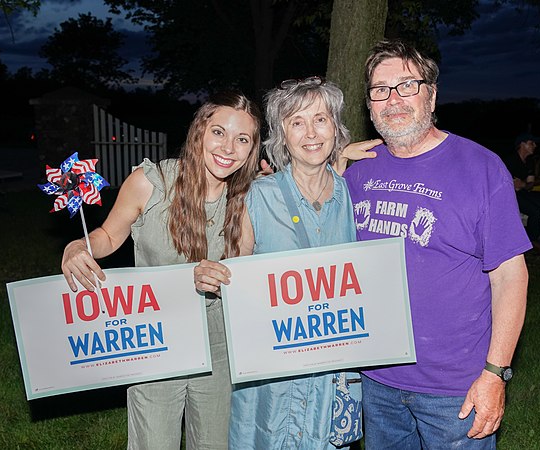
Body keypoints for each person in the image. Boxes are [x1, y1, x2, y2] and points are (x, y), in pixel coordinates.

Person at [341, 39, 530, 449]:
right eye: (380, 89)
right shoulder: (357, 172)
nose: (393, 99)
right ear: (369, 104)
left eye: (407, 85)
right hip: (376, 380)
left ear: (432, 94)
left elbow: (510, 276)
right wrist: (335, 162)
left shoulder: (480, 168)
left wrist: (495, 374)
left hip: (455, 389)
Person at [60, 91, 262, 450]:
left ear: (251, 149)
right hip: (153, 340)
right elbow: (108, 235)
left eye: (242, 139)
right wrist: (79, 246)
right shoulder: (150, 182)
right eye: (219, 132)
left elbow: (247, 274)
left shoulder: (248, 200)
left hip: (218, 344)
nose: (228, 147)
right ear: (199, 131)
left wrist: (221, 279)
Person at [193, 76, 362, 449]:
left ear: (336, 127)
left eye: (321, 119)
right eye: (296, 122)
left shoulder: (357, 196)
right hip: (272, 378)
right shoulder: (255, 197)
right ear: (282, 135)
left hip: (331, 376)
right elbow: (235, 272)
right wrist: (215, 276)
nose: (310, 133)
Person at [503, 133, 540, 252]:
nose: (534, 145)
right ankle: (531, 242)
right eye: (531, 143)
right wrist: (514, 185)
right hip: (509, 196)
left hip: (524, 192)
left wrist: (522, 184)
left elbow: (530, 185)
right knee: (535, 211)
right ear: (522, 145)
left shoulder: (530, 162)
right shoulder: (509, 161)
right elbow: (502, 183)